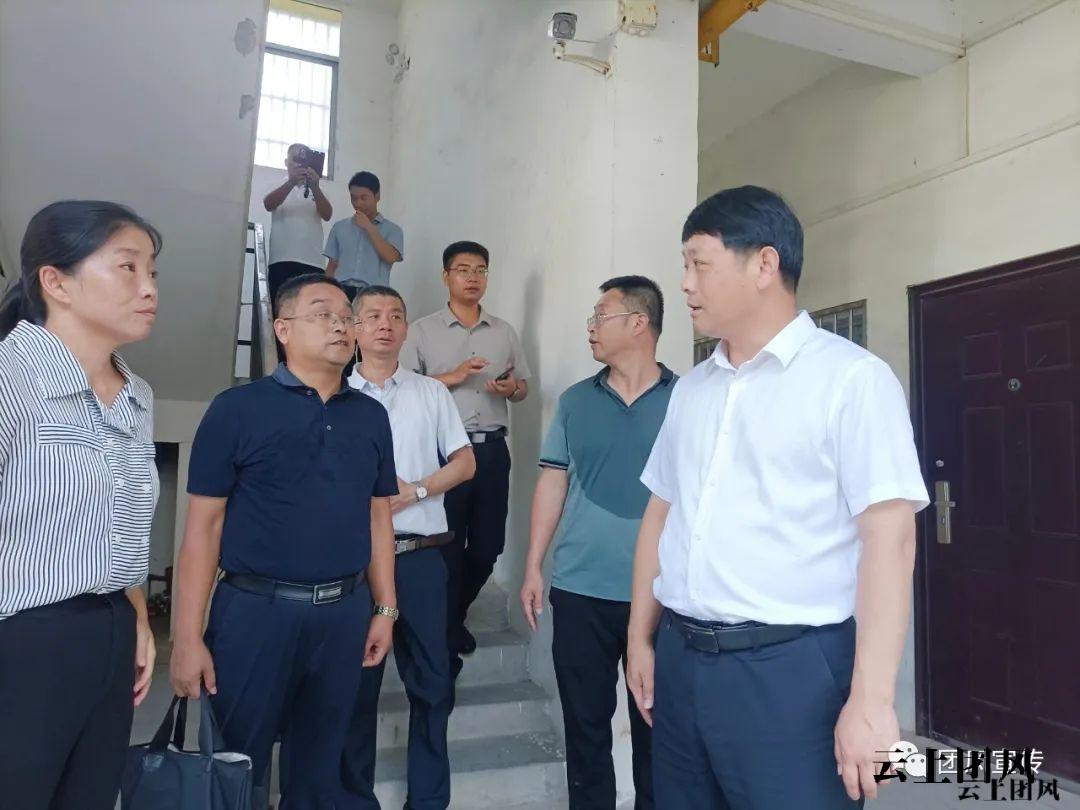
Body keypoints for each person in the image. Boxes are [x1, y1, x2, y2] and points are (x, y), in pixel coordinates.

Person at [625, 186, 930, 809]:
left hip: (791, 673)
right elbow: (662, 512)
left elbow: (891, 539)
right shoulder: (692, 391)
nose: (685, 284)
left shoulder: (851, 380)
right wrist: (640, 637)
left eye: (699, 263)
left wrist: (871, 700)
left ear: (765, 264)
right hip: (682, 662)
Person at [170, 273, 399, 808]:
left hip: (342, 615)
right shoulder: (236, 410)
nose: (340, 325)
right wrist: (186, 636)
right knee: (236, 767)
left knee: (320, 769)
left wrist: (385, 609)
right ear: (283, 329)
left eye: (346, 316)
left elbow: (378, 517)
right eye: (323, 314)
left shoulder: (371, 416)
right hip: (254, 613)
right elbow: (203, 528)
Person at [0, 200, 161, 808]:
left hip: (111, 633)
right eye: (127, 267)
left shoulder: (137, 394)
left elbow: (122, 525)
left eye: (152, 271)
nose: (149, 288)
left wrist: (136, 614)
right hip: (22, 638)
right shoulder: (10, 378)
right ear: (56, 281)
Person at [521, 276, 673, 810]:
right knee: (585, 732)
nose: (590, 327)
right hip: (580, 589)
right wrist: (534, 565)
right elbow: (552, 482)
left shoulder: (687, 400)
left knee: (658, 732)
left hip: (663, 596)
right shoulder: (574, 402)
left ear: (639, 323)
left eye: (600, 316)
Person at [342, 285, 476, 810]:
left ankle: (428, 801)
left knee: (433, 685)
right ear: (354, 328)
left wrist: (416, 491)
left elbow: (465, 462)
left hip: (420, 556)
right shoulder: (336, 393)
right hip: (356, 564)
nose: (385, 323)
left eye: (395, 315)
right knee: (356, 689)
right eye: (373, 315)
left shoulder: (431, 393)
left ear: (405, 329)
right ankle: (353, 800)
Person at [400, 241, 530, 666]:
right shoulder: (421, 331)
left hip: (492, 450)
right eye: (463, 269)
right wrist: (452, 377)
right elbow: (404, 389)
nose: (472, 277)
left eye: (480, 270)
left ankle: (453, 612)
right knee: (448, 544)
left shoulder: (504, 331)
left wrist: (511, 388)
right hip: (445, 456)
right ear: (446, 276)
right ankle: (447, 627)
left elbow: (523, 387)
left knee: (488, 547)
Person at [263, 142, 333, 308]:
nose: (299, 164)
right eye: (295, 159)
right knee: (281, 309)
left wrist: (315, 187)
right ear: (286, 162)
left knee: (311, 312)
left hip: (313, 262)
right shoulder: (276, 184)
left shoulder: (318, 189)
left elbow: (327, 215)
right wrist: (291, 183)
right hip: (281, 260)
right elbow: (268, 204)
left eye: (304, 160)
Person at [325, 171, 404, 302]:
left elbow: (390, 257)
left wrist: (369, 227)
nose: (358, 203)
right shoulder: (339, 227)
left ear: (377, 196)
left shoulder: (393, 230)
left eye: (364, 198)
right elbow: (332, 265)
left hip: (375, 293)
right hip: (341, 291)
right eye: (354, 198)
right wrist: (327, 292)